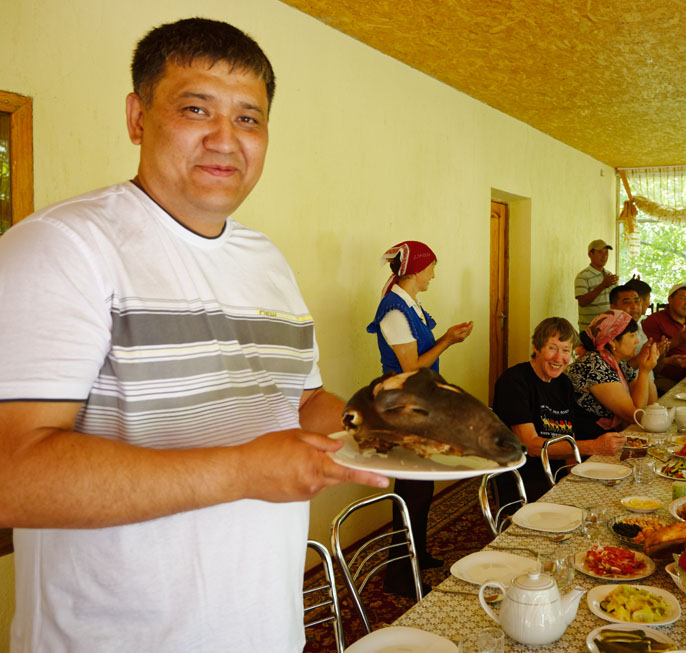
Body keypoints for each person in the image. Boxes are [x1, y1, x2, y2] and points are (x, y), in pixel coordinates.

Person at [0, 19, 388, 651]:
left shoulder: (268, 260)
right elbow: (10, 476)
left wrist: (379, 430)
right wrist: (241, 471)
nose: (224, 139)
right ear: (137, 117)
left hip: (267, 631)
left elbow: (298, 399)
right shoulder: (64, 248)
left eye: (249, 119)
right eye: (195, 108)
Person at [366, 240, 473, 592]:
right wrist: (448, 341)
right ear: (415, 270)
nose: (433, 274)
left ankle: (418, 552)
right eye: (430, 268)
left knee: (422, 484)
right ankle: (399, 573)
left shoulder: (409, 303)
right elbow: (411, 366)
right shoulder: (395, 311)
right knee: (412, 487)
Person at [492, 318, 626, 501]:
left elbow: (568, 437)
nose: (558, 358)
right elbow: (531, 445)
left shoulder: (563, 383)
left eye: (565, 350)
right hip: (522, 480)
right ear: (536, 348)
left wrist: (574, 483)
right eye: (552, 348)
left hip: (556, 475)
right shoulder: (514, 382)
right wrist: (593, 446)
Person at [566, 310, 658, 439]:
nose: (637, 341)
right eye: (632, 335)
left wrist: (646, 366)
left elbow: (652, 406)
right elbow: (636, 416)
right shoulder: (594, 364)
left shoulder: (617, 363)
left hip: (608, 437)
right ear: (612, 341)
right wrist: (644, 371)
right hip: (589, 442)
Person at [641, 282, 686, 393]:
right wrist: (677, 341)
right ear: (670, 299)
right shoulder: (655, 320)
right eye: (682, 298)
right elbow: (648, 354)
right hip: (663, 377)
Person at [610, 284, 657, 403]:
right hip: (626, 394)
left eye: (637, 301)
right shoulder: (611, 333)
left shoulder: (638, 326)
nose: (634, 306)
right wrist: (642, 358)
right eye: (627, 302)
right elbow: (616, 371)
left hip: (646, 386)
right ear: (613, 307)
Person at [575, 239, 618, 330]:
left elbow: (615, 299)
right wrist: (602, 286)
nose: (604, 256)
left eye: (606, 252)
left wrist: (630, 286)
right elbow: (582, 302)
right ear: (590, 254)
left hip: (608, 328)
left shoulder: (609, 275)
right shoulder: (582, 276)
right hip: (590, 329)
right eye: (600, 252)